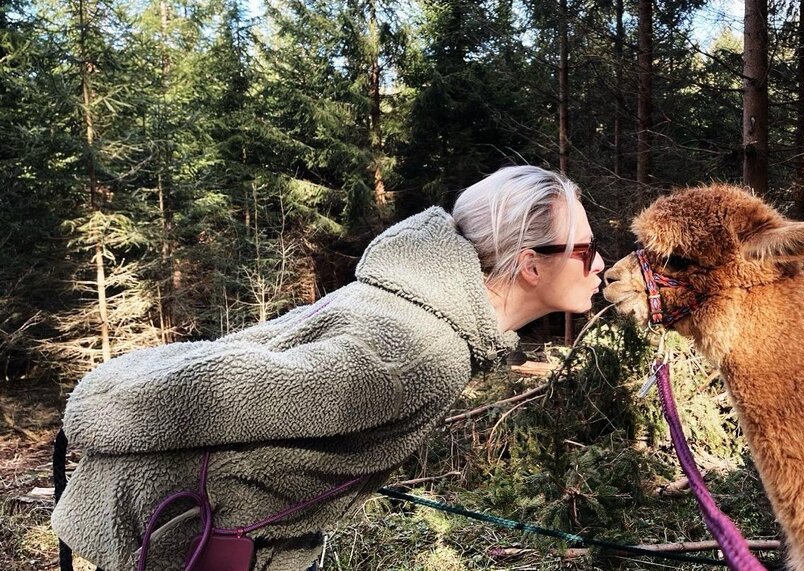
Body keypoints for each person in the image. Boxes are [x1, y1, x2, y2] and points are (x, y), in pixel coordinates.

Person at [51, 165, 605, 570]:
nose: (600, 263)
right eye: (585, 249)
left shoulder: (407, 306)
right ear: (531, 264)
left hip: (208, 538)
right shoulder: (420, 351)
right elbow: (213, 391)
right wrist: (92, 406)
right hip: (188, 544)